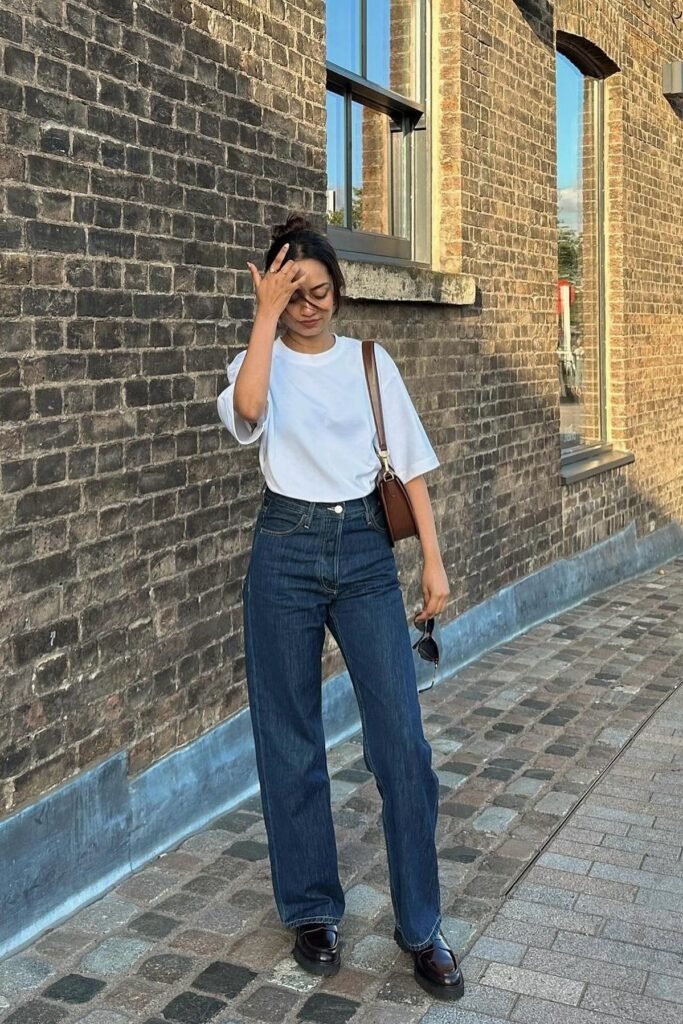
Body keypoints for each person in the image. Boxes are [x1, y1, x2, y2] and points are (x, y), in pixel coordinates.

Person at [216, 214, 464, 1001]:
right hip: (283, 550)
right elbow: (248, 413)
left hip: (361, 548)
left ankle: (420, 927)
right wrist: (262, 317)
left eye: (318, 291)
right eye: (294, 296)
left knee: (402, 742)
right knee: (288, 735)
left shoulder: (370, 361)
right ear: (274, 298)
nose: (309, 307)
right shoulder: (260, 358)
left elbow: (413, 467)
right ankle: (312, 909)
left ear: (338, 290)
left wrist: (431, 558)